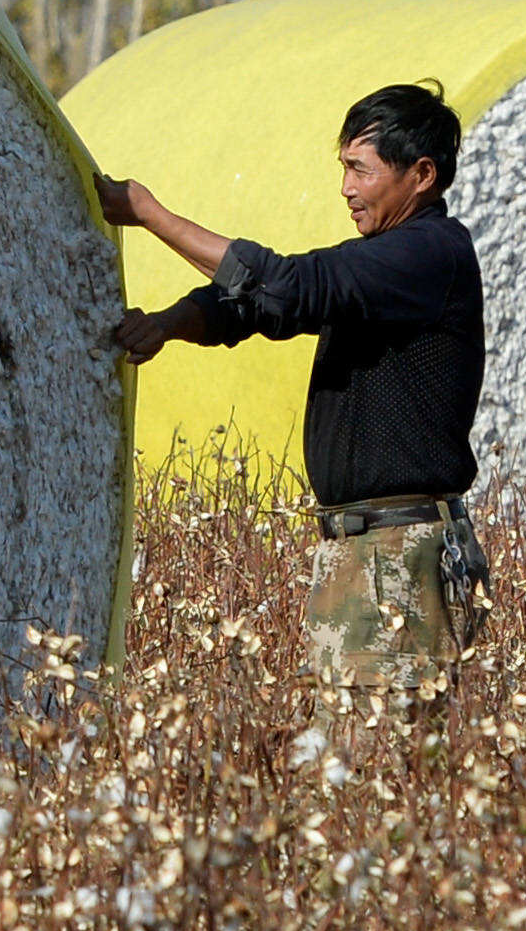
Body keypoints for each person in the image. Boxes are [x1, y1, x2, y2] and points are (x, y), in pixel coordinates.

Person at [100, 82, 490, 722]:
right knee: (343, 768)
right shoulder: (382, 264)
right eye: (343, 168)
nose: (345, 188)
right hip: (358, 551)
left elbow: (283, 286)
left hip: (402, 557)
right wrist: (169, 324)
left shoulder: (428, 255)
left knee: (380, 775)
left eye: (359, 169)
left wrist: (151, 214)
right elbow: (255, 306)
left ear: (421, 175)